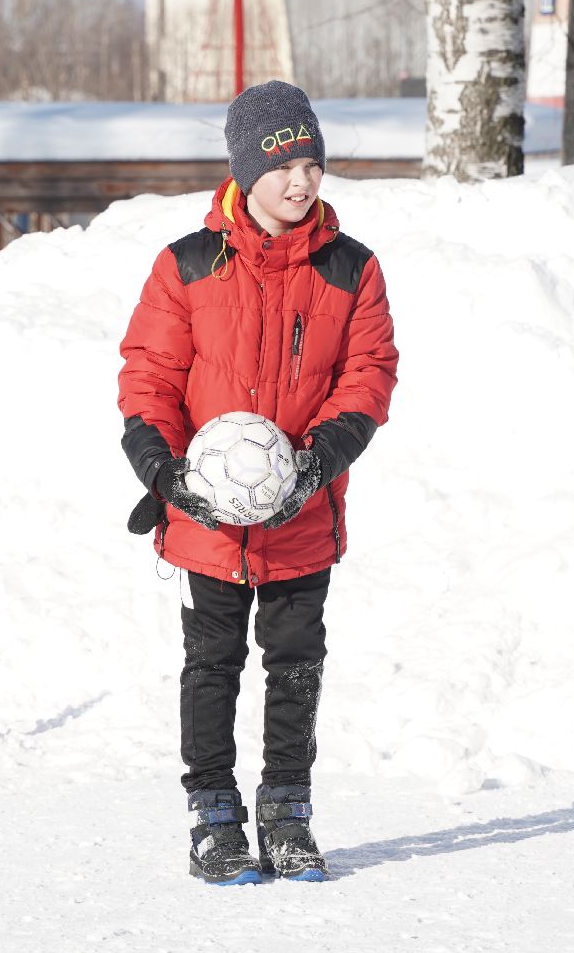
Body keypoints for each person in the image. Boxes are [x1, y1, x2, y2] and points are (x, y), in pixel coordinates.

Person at [116, 80, 399, 885]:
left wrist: (320, 461)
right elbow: (150, 375)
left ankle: (286, 809)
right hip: (205, 521)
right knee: (210, 666)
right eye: (283, 164)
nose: (301, 180)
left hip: (301, 511)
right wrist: (163, 470)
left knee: (295, 662)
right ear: (246, 170)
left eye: (311, 161)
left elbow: (369, 373)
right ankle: (213, 813)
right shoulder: (187, 265)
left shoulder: (352, 270)